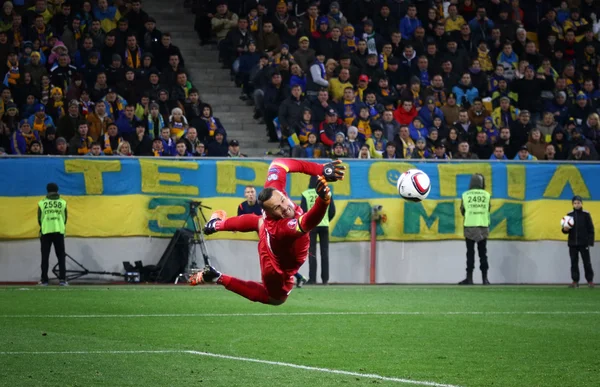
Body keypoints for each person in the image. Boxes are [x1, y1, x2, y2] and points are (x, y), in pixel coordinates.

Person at [189, 159, 346, 305]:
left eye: (283, 201)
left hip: (268, 230)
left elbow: (280, 162)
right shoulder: (282, 228)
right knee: (276, 300)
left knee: (259, 221)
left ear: (281, 194)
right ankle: (218, 277)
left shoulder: (274, 192)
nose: (285, 207)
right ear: (271, 214)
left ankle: (216, 225)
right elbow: (308, 221)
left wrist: (320, 168)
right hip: (275, 266)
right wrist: (324, 200)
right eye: (278, 208)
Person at [301, 176, 336, 285]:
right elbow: (332, 211)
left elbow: (303, 211)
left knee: (312, 252)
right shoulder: (327, 192)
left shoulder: (306, 194)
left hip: (311, 226)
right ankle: (325, 279)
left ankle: (312, 279)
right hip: (324, 225)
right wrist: (326, 220)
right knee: (324, 253)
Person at [459, 174, 491, 285]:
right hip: (483, 226)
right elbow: (489, 208)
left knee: (470, 253)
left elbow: (462, 210)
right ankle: (485, 279)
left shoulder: (465, 195)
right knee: (483, 253)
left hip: (470, 226)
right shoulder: (487, 195)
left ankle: (469, 278)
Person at [38, 183, 67, 286]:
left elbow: (39, 219)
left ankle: (44, 280)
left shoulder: (42, 203)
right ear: (57, 190)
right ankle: (63, 280)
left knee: (45, 257)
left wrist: (44, 227)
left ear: (47, 190)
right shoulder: (62, 202)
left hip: (46, 232)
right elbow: (65, 218)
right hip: (59, 232)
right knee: (61, 257)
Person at [562, 196, 595, 288]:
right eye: (575, 203)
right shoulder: (569, 215)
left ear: (581, 203)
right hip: (572, 244)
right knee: (574, 262)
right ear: (573, 204)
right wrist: (565, 229)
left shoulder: (586, 214)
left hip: (584, 243)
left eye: (578, 203)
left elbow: (591, 229)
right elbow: (565, 230)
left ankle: (590, 281)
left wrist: (590, 242)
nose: (577, 205)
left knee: (587, 262)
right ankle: (575, 281)